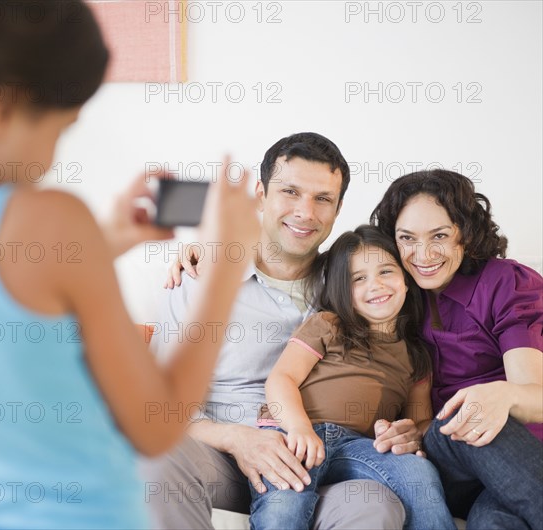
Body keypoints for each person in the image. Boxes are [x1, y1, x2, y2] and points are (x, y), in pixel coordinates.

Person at [0, 1, 259, 528]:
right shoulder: (51, 219)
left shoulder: (41, 237)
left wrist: (104, 240)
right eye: (61, 128)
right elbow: (155, 425)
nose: (50, 158)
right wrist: (227, 266)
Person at [146, 133, 410, 529]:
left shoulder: (353, 287)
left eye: (322, 198)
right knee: (153, 460)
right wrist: (238, 439)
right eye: (290, 191)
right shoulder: (203, 278)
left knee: (375, 503)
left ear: (337, 209)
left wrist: (408, 428)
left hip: (317, 457)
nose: (305, 212)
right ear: (260, 195)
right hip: (222, 457)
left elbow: (396, 363)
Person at [248, 225, 455, 530]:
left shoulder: (417, 355)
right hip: (293, 434)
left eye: (386, 272)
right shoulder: (328, 324)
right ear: (343, 290)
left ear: (406, 281)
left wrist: (408, 433)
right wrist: (299, 428)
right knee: (284, 505)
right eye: (359, 279)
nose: (375, 285)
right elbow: (281, 379)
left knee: (418, 473)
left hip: (358, 445)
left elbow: (419, 421)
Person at [370, 169, 543, 529]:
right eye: (407, 238)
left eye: (440, 236)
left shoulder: (503, 282)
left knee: (493, 522)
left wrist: (504, 394)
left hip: (524, 458)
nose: (424, 254)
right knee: (462, 415)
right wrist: (411, 430)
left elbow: (537, 397)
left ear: (464, 234)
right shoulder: (393, 297)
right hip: (451, 456)